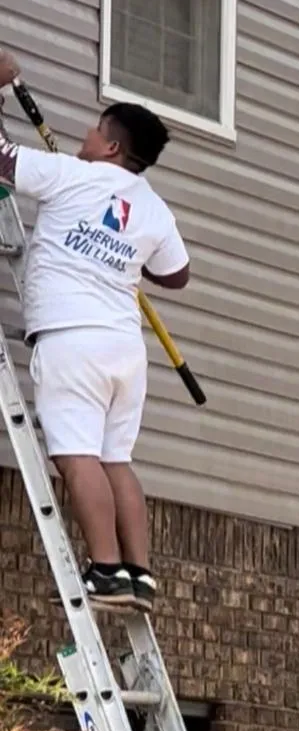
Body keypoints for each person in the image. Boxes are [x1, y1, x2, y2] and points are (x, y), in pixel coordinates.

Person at [0, 49, 190, 613]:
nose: (84, 132)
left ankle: (106, 571)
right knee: (116, 460)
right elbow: (176, 275)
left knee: (76, 455)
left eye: (95, 128)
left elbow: (4, 161)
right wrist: (126, 256)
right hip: (124, 350)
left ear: (111, 146)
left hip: (71, 337)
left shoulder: (69, 175)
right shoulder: (155, 209)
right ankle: (140, 575)